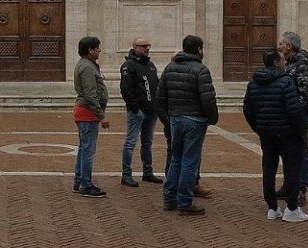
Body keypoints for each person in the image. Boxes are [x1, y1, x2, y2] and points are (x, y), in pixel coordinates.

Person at [242, 50, 308, 223]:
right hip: (288, 134)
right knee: (292, 169)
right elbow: (294, 110)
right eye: (283, 60)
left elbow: (248, 110)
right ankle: (292, 208)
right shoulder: (286, 81)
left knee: (268, 169)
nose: (285, 62)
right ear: (277, 63)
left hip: (266, 134)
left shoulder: (253, 83)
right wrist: (301, 130)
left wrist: (259, 127)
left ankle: (272, 207)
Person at [155, 33, 217, 216]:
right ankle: (184, 201)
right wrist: (212, 118)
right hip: (194, 120)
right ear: (198, 49)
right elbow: (208, 99)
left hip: (176, 119)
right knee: (190, 162)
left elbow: (160, 97)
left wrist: (167, 118)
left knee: (175, 159)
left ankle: (169, 199)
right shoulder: (201, 70)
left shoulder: (169, 68)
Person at [274, 32, 308, 206]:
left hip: (298, 117)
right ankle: (288, 185)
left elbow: (304, 95)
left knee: (300, 152)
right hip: (285, 115)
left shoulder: (302, 65)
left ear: (289, 47)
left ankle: (300, 189)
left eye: (281, 43)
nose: (278, 45)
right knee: (287, 151)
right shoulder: (286, 64)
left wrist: (291, 112)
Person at [118, 38, 160, 187]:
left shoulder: (150, 65)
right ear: (134, 47)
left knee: (147, 143)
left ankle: (147, 172)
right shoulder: (128, 66)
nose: (146, 48)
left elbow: (156, 86)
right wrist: (135, 108)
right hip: (137, 111)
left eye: (147, 46)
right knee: (130, 142)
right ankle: (126, 174)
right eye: (143, 46)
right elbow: (126, 89)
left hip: (151, 111)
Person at [72, 35, 108, 197]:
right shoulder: (87, 67)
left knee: (83, 148)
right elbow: (90, 94)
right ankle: (85, 185)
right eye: (97, 48)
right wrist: (101, 116)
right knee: (88, 150)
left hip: (86, 112)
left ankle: (80, 181)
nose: (99, 50)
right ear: (90, 50)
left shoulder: (88, 65)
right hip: (88, 113)